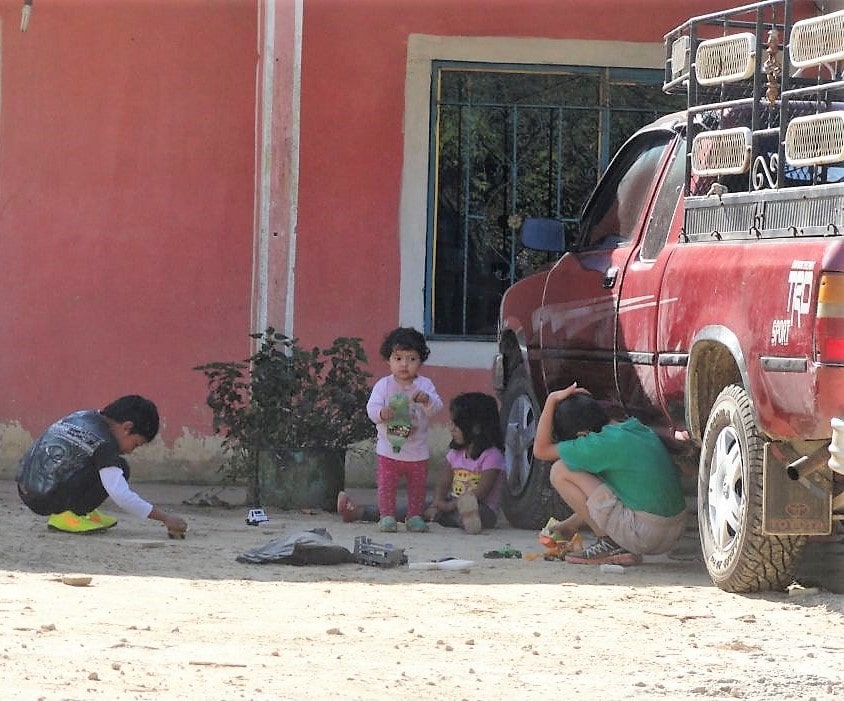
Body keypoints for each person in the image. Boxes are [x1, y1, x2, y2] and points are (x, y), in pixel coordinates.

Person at [532, 382, 687, 566]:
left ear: (582, 434)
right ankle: (615, 541)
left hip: (645, 534)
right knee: (595, 475)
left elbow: (541, 450)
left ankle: (609, 543)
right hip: (675, 529)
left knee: (560, 470)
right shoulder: (633, 428)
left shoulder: (598, 444)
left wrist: (551, 400)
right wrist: (569, 525)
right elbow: (610, 496)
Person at [16, 395, 188, 536]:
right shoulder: (105, 444)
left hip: (25, 489)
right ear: (127, 428)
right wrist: (165, 518)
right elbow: (120, 494)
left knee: (100, 463)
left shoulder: (82, 416)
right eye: (135, 444)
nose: (130, 451)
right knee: (121, 467)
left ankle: (81, 511)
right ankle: (68, 515)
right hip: (45, 500)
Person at [338, 392, 505, 534]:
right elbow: (443, 483)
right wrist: (438, 502)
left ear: (476, 428)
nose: (450, 427)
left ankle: (466, 520)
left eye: (456, 424)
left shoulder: (492, 456)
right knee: (414, 508)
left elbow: (480, 492)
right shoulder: (455, 454)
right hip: (451, 502)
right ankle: (359, 512)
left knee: (470, 512)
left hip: (481, 507)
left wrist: (448, 507)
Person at [366, 327, 443, 533]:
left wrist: (426, 400)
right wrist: (382, 413)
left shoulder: (425, 385)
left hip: (417, 451)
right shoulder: (383, 385)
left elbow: (436, 408)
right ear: (388, 360)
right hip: (388, 450)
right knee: (386, 485)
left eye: (411, 359)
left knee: (417, 486)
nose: (404, 364)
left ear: (421, 361)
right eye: (398, 358)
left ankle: (415, 516)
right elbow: (371, 409)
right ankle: (387, 516)